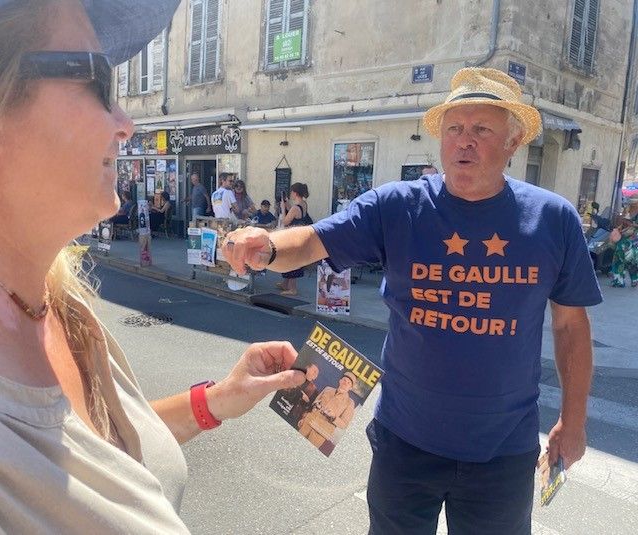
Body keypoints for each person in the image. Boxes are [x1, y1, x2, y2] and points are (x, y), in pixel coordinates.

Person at [223, 67, 602, 535]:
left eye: (481, 129)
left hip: (503, 452)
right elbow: (314, 241)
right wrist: (269, 247)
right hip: (405, 442)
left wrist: (574, 419)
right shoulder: (398, 206)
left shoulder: (553, 219)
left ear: (513, 141)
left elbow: (570, 327)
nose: (464, 142)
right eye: (455, 129)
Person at [0, 1, 305, 533]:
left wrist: (219, 400)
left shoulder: (65, 309)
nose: (125, 123)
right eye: (98, 83)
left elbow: (100, 458)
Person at [298, 371, 356, 448]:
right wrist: (304, 417)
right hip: (308, 422)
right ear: (340, 381)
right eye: (344, 380)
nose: (345, 383)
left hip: (320, 431)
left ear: (350, 388)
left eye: (349, 383)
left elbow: (344, 425)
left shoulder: (350, 403)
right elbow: (314, 403)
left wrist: (334, 417)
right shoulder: (328, 389)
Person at [276, 182, 311, 296]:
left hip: (293, 237)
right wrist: (288, 206)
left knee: (291, 261)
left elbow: (285, 221)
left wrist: (282, 208)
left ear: (295, 193)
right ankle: (285, 283)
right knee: (291, 260)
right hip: (299, 235)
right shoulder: (303, 204)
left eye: (291, 191)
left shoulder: (295, 207)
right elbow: (296, 213)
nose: (290, 194)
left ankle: (292, 289)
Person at [610, 197, 638, 287]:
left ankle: (634, 278)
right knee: (618, 258)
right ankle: (618, 280)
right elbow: (621, 222)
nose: (632, 203)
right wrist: (622, 219)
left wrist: (632, 224)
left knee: (630, 259)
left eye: (633, 201)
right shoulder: (627, 210)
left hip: (633, 239)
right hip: (623, 237)